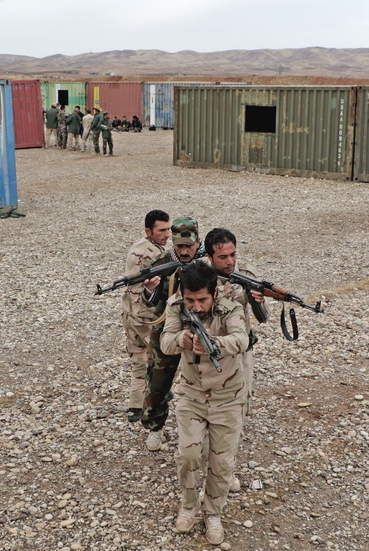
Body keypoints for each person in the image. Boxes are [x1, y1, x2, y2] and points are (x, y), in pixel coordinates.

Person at [160, 261, 248, 546]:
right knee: (188, 455)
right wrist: (182, 339)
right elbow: (164, 342)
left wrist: (216, 344)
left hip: (228, 397)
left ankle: (213, 513)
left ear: (214, 293)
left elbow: (241, 339)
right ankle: (188, 505)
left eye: (202, 299)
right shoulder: (177, 307)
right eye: (190, 300)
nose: (195, 306)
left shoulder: (230, 307)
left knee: (222, 462)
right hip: (191, 395)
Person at [203, 227, 266, 493]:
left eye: (233, 254)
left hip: (242, 353)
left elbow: (262, 317)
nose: (230, 262)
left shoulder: (246, 274)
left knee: (237, 412)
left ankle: (225, 471)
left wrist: (259, 301)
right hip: (209, 356)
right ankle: (208, 472)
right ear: (209, 257)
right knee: (207, 414)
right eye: (223, 257)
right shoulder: (200, 278)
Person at [139, 216, 204, 450]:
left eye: (189, 245)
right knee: (157, 380)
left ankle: (208, 430)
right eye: (179, 246)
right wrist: (149, 290)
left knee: (206, 381)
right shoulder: (161, 262)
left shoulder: (209, 263)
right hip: (167, 327)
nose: (185, 250)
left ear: (198, 241)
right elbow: (150, 303)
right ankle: (154, 427)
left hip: (203, 330)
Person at [120, 210, 172, 424]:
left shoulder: (140, 246)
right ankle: (154, 399)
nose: (167, 234)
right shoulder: (152, 254)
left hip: (130, 312)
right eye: (162, 230)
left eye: (168, 229)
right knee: (159, 359)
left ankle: (134, 405)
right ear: (148, 231)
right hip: (146, 316)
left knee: (138, 360)